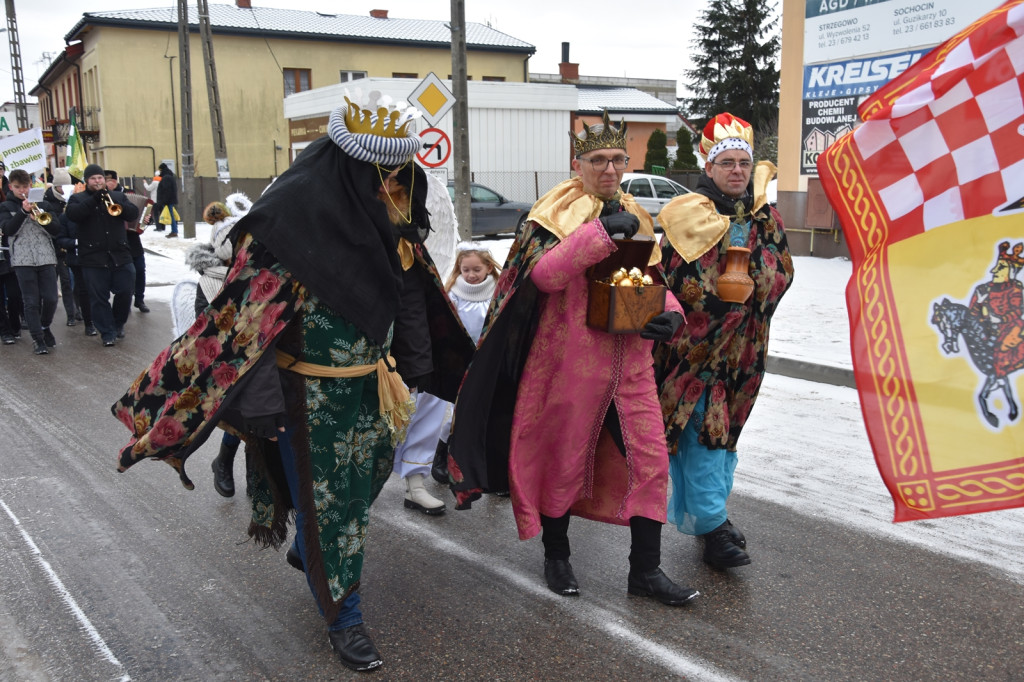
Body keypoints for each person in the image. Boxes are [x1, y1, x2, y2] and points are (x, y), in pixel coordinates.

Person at [110, 94, 473, 672]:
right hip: (307, 395)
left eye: (401, 173)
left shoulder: (394, 209)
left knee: (366, 483)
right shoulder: (292, 218)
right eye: (382, 174)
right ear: (350, 165)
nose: (394, 185)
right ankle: (344, 616)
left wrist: (423, 367)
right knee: (330, 505)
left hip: (374, 387)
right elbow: (243, 322)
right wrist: (257, 408)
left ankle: (310, 552)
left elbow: (410, 290)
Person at [447, 111, 698, 606]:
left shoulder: (636, 211)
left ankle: (644, 570)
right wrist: (598, 235)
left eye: (617, 160)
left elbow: (651, 278)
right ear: (577, 163)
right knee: (564, 460)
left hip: (631, 363)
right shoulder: (551, 212)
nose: (609, 169)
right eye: (598, 160)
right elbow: (542, 277)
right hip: (568, 362)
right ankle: (556, 554)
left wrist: (672, 313)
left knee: (650, 461)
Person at [652, 113, 793, 569]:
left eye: (743, 163)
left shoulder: (765, 216)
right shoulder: (688, 214)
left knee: (728, 431)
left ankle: (713, 512)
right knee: (703, 432)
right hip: (700, 349)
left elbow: (784, 268)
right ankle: (712, 526)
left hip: (747, 349)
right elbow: (673, 277)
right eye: (727, 162)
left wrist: (757, 281)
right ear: (708, 168)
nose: (736, 170)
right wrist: (719, 297)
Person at [187, 195, 252, 497]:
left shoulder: (257, 271)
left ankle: (259, 476)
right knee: (238, 411)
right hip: (230, 356)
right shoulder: (209, 281)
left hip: (261, 350)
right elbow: (206, 328)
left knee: (265, 414)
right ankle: (224, 461)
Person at [430, 243, 501, 484]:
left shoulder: (497, 291)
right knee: (459, 413)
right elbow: (446, 327)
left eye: (476, 270)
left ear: (489, 268)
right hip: (462, 359)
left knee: (491, 414)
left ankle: (491, 466)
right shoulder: (454, 293)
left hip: (488, 360)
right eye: (465, 270)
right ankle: (441, 456)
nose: (470, 275)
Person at [65, 163, 138, 347]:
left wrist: (119, 204)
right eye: (93, 179)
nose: (97, 181)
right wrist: (94, 200)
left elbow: (132, 214)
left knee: (126, 290)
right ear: (87, 181)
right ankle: (107, 332)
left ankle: (118, 323)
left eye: (100, 178)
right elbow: (74, 215)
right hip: (92, 257)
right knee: (98, 298)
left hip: (119, 254)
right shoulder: (77, 199)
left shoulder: (118, 196)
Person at [0, 169, 61, 355]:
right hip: (22, 259)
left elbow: (56, 229)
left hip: (45, 256)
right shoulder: (5, 207)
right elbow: (8, 230)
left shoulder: (43, 203)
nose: (22, 191)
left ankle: (43, 326)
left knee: (50, 298)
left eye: (25, 186)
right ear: (11, 187)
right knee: (31, 301)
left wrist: (42, 220)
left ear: (31, 185)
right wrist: (22, 212)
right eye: (17, 187)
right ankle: (38, 339)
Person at [104, 170, 149, 313]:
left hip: (133, 238)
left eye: (109, 180)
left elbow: (143, 211)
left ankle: (139, 299)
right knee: (125, 273)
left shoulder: (128, 193)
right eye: (105, 180)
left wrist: (146, 220)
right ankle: (125, 301)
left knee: (140, 269)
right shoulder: (102, 197)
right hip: (115, 239)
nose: (107, 183)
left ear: (116, 181)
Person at [155, 162, 179, 238]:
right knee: (171, 215)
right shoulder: (169, 176)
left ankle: (174, 231)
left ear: (162, 170)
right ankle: (174, 231)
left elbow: (166, 190)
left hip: (168, 200)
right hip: (170, 200)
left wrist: (164, 201)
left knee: (171, 216)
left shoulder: (166, 178)